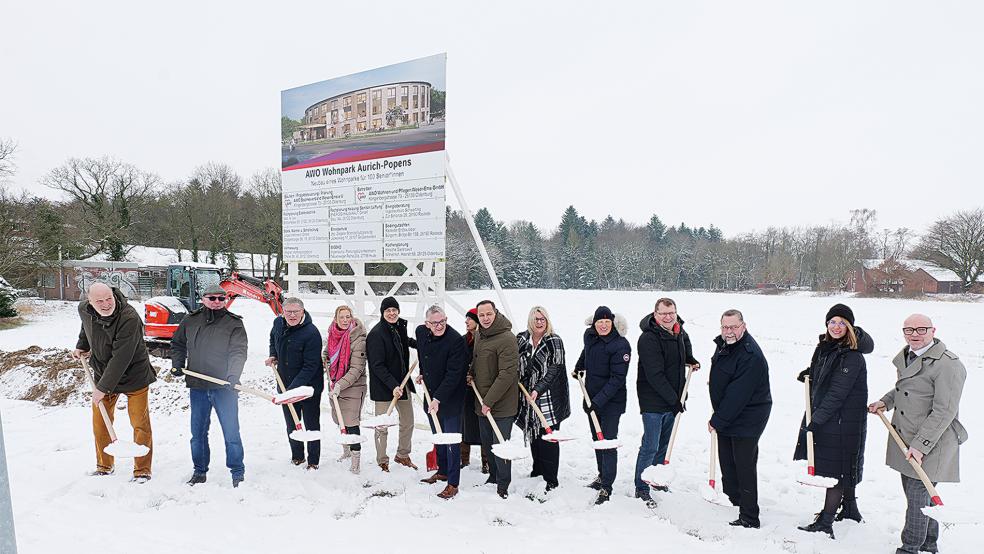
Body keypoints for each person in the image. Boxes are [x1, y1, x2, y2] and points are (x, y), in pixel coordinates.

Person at [868, 314, 967, 554]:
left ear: (933, 330)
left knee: (916, 497)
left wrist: (921, 446)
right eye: (909, 330)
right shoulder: (910, 356)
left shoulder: (948, 364)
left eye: (921, 329)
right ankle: (929, 543)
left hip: (933, 441)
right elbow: (905, 388)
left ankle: (910, 548)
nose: (914, 334)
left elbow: (945, 411)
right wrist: (885, 402)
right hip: (906, 437)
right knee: (920, 496)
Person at [793, 304, 873, 538]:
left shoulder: (852, 356)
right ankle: (849, 508)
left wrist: (815, 421)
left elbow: (837, 392)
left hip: (842, 419)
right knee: (845, 464)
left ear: (849, 326)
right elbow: (824, 370)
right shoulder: (826, 347)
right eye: (832, 322)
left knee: (836, 470)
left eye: (841, 323)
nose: (836, 327)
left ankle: (826, 521)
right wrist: (809, 372)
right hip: (833, 418)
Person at [72, 282, 156, 482]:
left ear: (114, 295)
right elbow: (87, 327)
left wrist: (102, 388)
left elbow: (121, 357)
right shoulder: (84, 309)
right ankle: (104, 465)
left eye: (108, 298)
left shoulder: (129, 317)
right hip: (103, 371)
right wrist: (81, 346)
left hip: (134, 375)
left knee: (139, 423)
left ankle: (142, 470)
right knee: (100, 422)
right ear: (89, 302)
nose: (105, 304)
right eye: (99, 301)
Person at [170, 284, 247, 487]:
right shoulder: (190, 320)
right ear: (203, 299)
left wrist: (233, 375)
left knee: (231, 432)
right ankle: (199, 471)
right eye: (212, 298)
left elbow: (238, 351)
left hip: (225, 388)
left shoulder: (234, 323)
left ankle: (237, 472)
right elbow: (177, 344)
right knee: (198, 433)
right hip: (198, 386)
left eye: (221, 299)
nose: (216, 302)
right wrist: (177, 364)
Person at [708, 309, 772, 528]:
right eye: (725, 327)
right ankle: (734, 500)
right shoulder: (726, 344)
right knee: (727, 460)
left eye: (733, 327)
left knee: (743, 464)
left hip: (749, 416)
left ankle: (749, 516)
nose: (729, 331)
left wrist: (717, 420)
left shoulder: (750, 355)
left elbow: (738, 395)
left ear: (743, 326)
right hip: (728, 414)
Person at [634, 297, 699, 507]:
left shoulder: (679, 331)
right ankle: (641, 486)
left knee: (664, 445)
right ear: (655, 315)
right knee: (650, 446)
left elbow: (685, 346)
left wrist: (691, 359)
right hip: (653, 400)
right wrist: (674, 400)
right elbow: (655, 375)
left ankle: (658, 480)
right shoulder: (648, 339)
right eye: (663, 314)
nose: (668, 317)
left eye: (671, 313)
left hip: (674, 400)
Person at [574, 306, 630, 505]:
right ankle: (601, 475)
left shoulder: (621, 345)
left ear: (612, 322)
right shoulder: (590, 336)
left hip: (611, 403)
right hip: (592, 400)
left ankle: (607, 486)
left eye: (607, 321)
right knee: (597, 440)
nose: (603, 325)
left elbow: (617, 379)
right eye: (600, 322)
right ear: (594, 323)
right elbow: (586, 353)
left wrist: (597, 402)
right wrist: (579, 366)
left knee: (607, 442)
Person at [415, 305, 468, 499]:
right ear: (427, 323)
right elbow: (423, 353)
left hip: (450, 398)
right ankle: (443, 470)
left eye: (443, 321)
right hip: (431, 396)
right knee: (438, 437)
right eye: (435, 323)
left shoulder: (455, 341)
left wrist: (438, 398)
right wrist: (423, 372)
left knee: (451, 441)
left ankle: (453, 483)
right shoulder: (421, 332)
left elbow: (454, 375)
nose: (439, 326)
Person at [468, 300, 519, 499]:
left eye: (489, 314)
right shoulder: (480, 334)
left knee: (501, 445)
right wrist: (470, 373)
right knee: (487, 443)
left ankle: (503, 483)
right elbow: (477, 359)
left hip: (501, 405)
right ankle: (493, 476)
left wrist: (488, 401)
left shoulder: (507, 338)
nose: (485, 318)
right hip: (482, 401)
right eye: (481, 315)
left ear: (495, 313)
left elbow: (507, 374)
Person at [516, 305, 569, 492]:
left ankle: (551, 478)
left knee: (548, 439)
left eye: (542, 319)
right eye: (536, 319)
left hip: (549, 399)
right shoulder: (522, 339)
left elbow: (556, 368)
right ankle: (537, 470)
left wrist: (538, 389)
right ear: (530, 320)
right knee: (534, 436)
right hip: (527, 397)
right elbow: (514, 362)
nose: (539, 322)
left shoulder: (554, 340)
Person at [266, 297, 323, 469]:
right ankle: (297, 456)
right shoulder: (278, 323)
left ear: (302, 312)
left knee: (311, 424)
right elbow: (272, 339)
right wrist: (273, 354)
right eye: (288, 311)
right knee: (292, 423)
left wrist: (292, 390)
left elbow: (310, 366)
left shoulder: (312, 333)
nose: (292, 315)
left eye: (295, 312)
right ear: (283, 312)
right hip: (285, 383)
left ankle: (313, 461)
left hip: (308, 387)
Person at [366, 296, 417, 472]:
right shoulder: (376, 334)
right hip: (384, 387)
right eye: (388, 310)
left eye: (394, 310)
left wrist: (424, 344)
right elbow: (377, 366)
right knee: (382, 426)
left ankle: (402, 454)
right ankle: (382, 460)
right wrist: (393, 385)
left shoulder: (399, 328)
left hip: (403, 385)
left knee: (408, 421)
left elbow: (407, 342)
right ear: (382, 313)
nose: (392, 313)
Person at [324, 305, 368, 474]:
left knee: (351, 423)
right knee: (339, 419)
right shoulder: (333, 334)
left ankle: (356, 462)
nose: (344, 320)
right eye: (341, 317)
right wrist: (324, 357)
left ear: (352, 318)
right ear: (336, 319)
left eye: (347, 317)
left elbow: (356, 369)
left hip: (354, 386)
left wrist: (340, 385)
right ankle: (346, 452)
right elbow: (328, 352)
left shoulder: (359, 338)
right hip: (336, 384)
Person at [461, 309, 485, 472]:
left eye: (470, 319)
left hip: (482, 388)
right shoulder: (463, 340)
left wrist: (476, 376)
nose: (467, 322)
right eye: (466, 319)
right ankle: (464, 459)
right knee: (465, 424)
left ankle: (486, 461)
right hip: (465, 390)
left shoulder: (485, 340)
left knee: (482, 424)